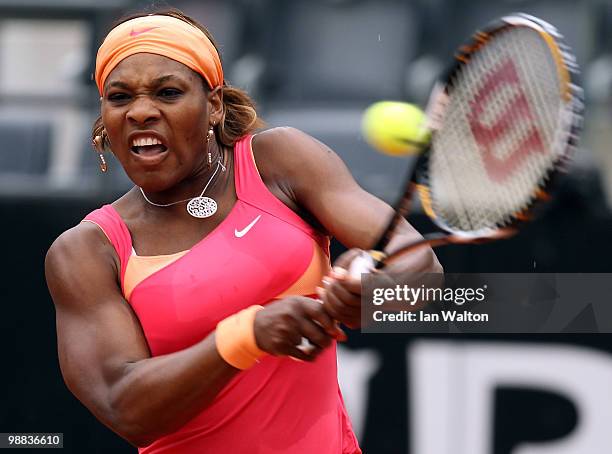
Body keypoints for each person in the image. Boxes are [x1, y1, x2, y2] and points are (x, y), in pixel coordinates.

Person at [45, 9, 441, 454]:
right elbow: (124, 408)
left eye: (168, 92)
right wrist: (246, 336)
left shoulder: (280, 161)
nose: (140, 112)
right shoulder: (86, 250)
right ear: (103, 118)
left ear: (213, 104)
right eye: (119, 98)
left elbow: (419, 262)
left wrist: (373, 292)